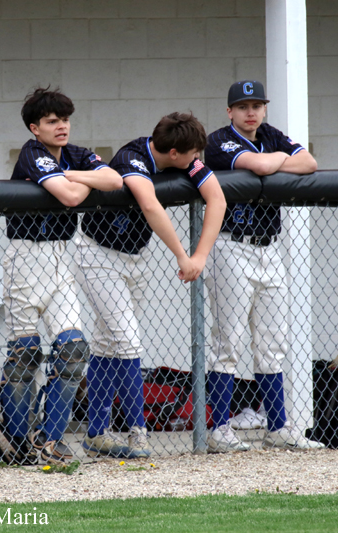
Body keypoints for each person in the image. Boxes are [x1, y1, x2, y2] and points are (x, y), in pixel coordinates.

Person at [75, 112, 226, 459]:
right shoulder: (134, 156)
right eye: (192, 154)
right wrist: (181, 256)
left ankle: (96, 434)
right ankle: (137, 432)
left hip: (135, 258)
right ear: (173, 152)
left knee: (108, 340)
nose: (197, 160)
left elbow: (217, 199)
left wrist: (199, 256)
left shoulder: (185, 161)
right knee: (127, 340)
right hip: (98, 253)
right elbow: (148, 203)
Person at [0, 87, 122, 465]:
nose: (61, 127)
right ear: (35, 127)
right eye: (52, 121)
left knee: (72, 350)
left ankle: (49, 440)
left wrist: (70, 173)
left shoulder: (74, 154)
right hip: (25, 258)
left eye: (65, 120)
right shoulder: (31, 152)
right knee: (25, 355)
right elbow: (70, 197)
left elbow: (115, 180)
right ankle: (19, 443)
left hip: (60, 258)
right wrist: (81, 180)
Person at [203, 80, 324, 452]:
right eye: (243, 106)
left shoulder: (269, 133)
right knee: (229, 341)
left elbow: (310, 162)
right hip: (230, 247)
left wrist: (272, 163)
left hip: (269, 248)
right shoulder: (219, 140)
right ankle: (219, 429)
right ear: (230, 111)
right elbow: (255, 163)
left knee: (273, 342)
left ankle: (278, 427)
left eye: (257, 105)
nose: (251, 112)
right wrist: (276, 164)